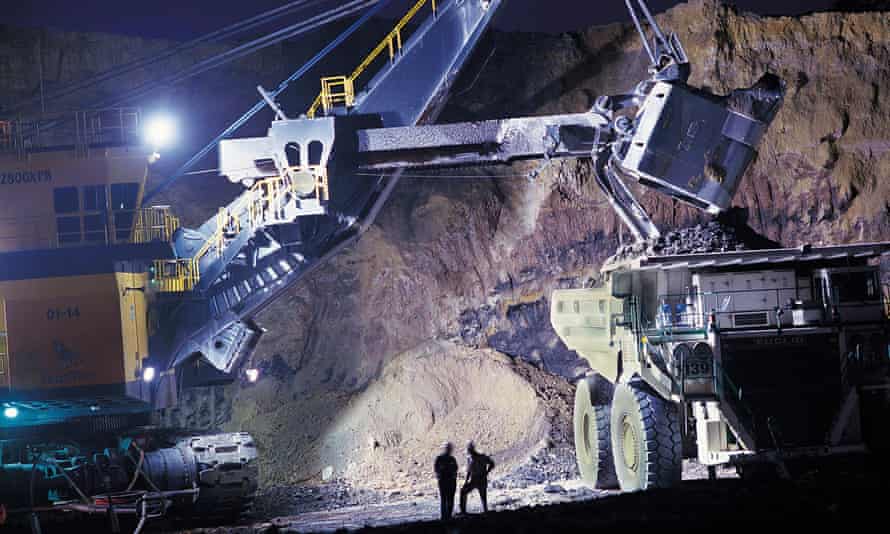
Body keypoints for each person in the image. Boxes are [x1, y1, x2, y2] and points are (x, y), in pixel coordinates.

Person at [459, 441, 495, 514]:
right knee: (463, 492)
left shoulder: (482, 456)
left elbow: (492, 463)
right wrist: (466, 481)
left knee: (483, 497)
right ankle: (463, 511)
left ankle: (485, 511)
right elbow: (469, 470)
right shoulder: (469, 458)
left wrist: (486, 473)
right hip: (474, 479)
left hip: (481, 479)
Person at [434, 441, 458, 521]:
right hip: (443, 481)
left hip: (451, 481)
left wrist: (453, 477)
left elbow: (456, 469)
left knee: (450, 499)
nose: (449, 450)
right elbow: (436, 469)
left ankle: (449, 516)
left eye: (450, 448)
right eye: (447, 448)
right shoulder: (439, 458)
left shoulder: (452, 459)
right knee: (444, 499)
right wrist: (439, 476)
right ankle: (444, 517)